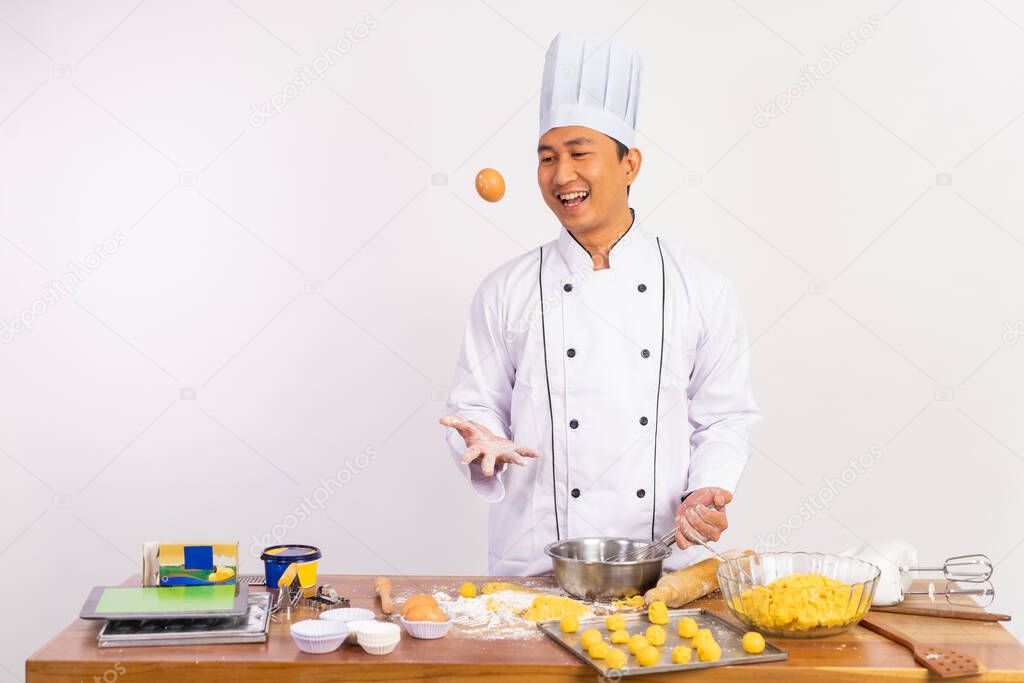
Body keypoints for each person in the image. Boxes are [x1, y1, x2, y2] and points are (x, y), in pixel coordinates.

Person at [440, 31, 761, 576]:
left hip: (659, 566)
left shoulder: (699, 286)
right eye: (546, 157)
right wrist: (481, 438)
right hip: (534, 570)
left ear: (630, 164)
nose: (561, 175)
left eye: (578, 153)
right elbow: (473, 408)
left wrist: (710, 487)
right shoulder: (505, 289)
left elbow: (725, 415)